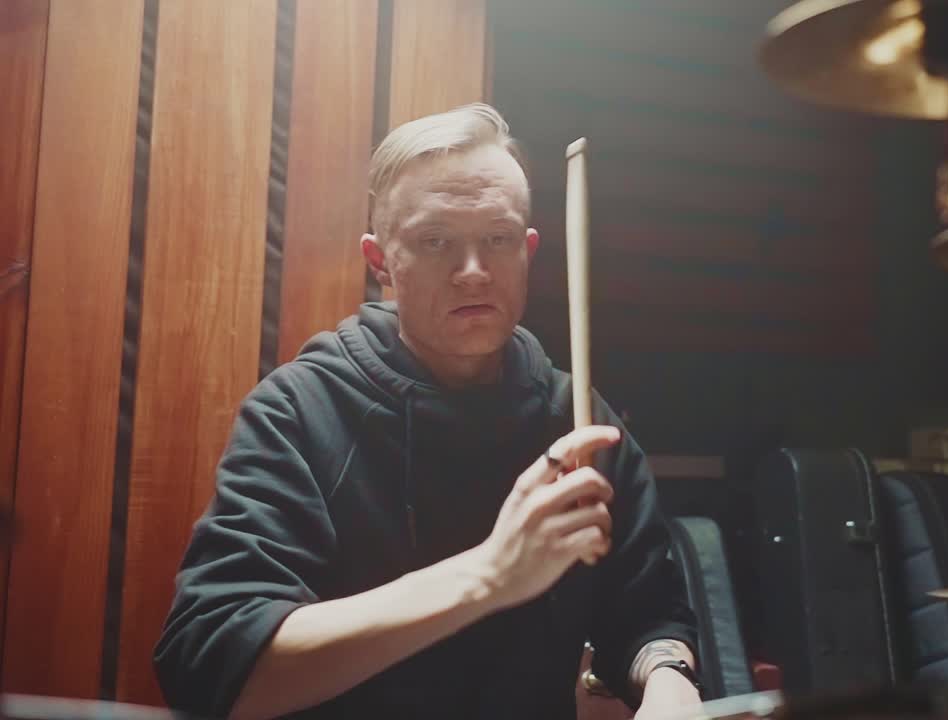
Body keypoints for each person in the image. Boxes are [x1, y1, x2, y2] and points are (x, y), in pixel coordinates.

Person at [153, 103, 700, 719]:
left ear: (528, 250)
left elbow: (649, 614)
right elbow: (210, 666)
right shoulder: (297, 412)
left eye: (496, 239)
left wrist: (669, 677)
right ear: (380, 261)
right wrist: (489, 575)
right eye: (436, 241)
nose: (473, 273)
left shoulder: (575, 415)